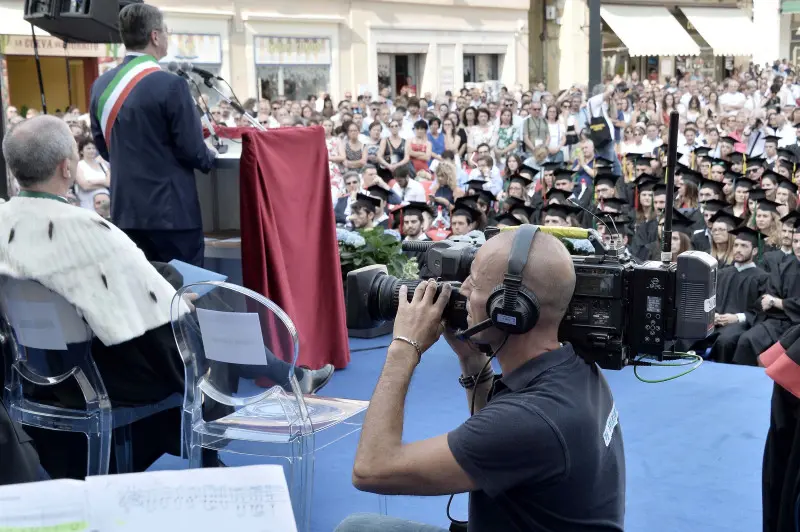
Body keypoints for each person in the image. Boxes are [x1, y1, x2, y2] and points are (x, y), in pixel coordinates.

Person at [0, 116, 333, 478]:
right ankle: (264, 389)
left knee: (168, 277)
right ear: (67, 167)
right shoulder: (85, 231)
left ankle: (280, 372)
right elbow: (162, 308)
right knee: (198, 313)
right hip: (102, 378)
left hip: (37, 375)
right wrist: (178, 298)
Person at [336, 228, 625, 531]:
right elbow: (503, 446)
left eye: (473, 283)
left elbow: (371, 469)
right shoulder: (573, 367)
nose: (460, 291)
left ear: (509, 308)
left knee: (354, 527)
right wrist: (471, 361)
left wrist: (404, 347)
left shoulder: (532, 419)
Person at [89, 4, 217, 266]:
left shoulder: (101, 85)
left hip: (126, 212)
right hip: (172, 216)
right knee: (182, 296)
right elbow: (192, 149)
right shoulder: (171, 85)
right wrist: (210, 157)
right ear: (155, 36)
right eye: (166, 32)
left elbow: (104, 147)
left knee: (140, 297)